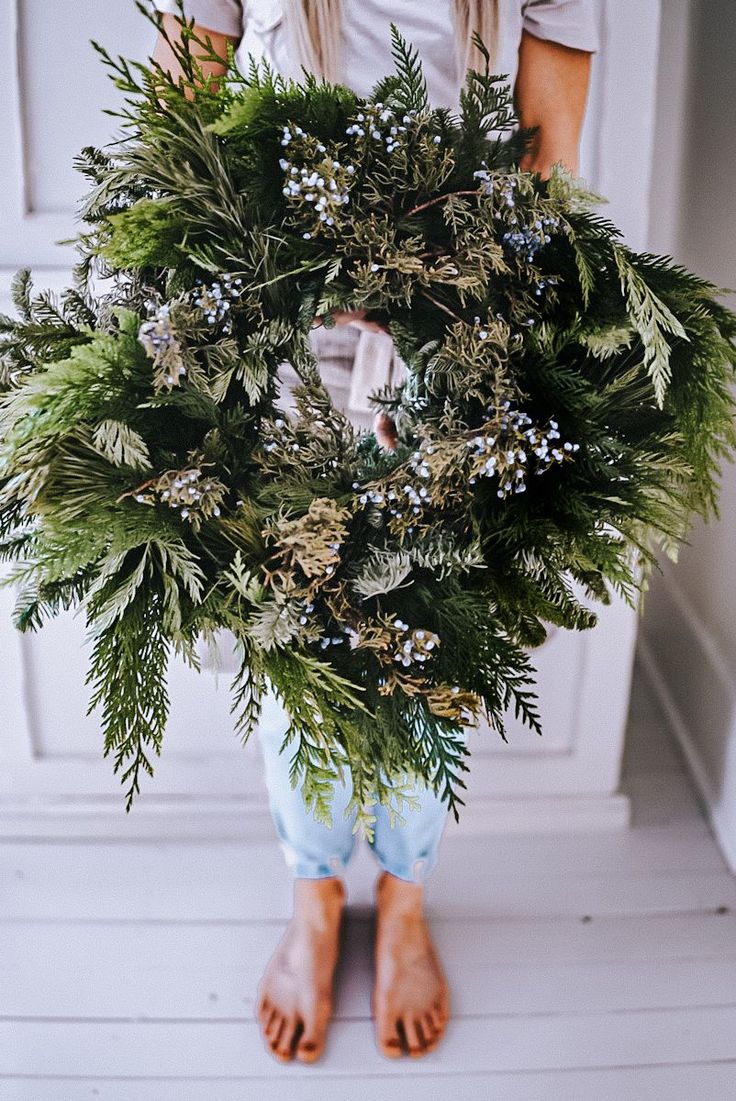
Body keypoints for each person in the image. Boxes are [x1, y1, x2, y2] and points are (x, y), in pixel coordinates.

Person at [151, 0, 598, 1064]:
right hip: (276, 323)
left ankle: (403, 895)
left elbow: (542, 154)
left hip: (447, 325)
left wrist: (469, 323)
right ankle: (313, 894)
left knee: (426, 633)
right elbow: (183, 106)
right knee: (303, 634)